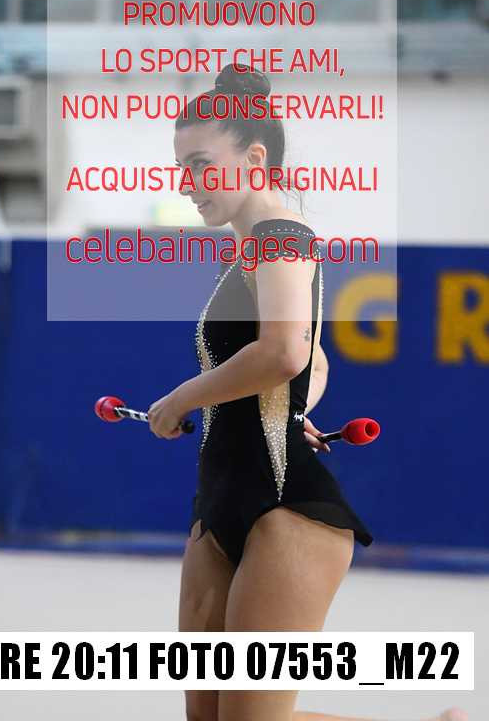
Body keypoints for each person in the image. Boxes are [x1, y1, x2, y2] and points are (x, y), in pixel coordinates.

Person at [147, 64, 466, 721]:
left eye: (201, 164)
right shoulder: (248, 254)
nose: (186, 183)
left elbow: (284, 352)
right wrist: (294, 409)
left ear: (253, 160)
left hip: (286, 508)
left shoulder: (281, 239)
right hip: (220, 503)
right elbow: (311, 358)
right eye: (181, 167)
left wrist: (182, 399)